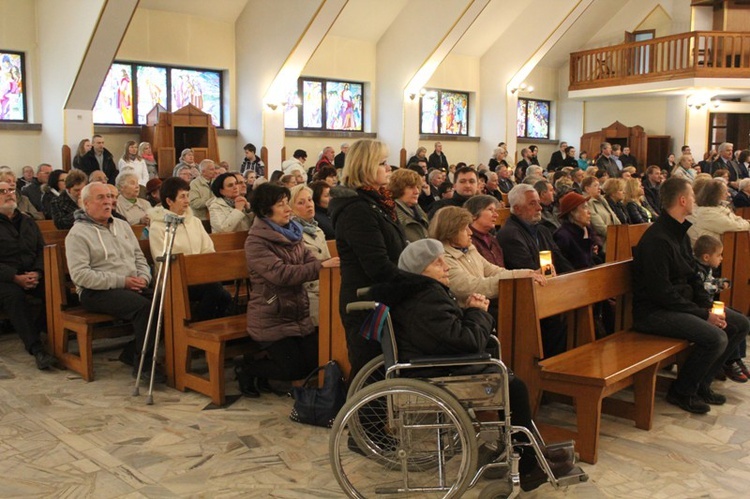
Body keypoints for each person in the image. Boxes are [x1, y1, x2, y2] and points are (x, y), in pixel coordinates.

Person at [367, 239, 575, 491]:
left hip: (436, 362)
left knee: (509, 379)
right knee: (514, 387)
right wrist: (478, 312)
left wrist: (468, 310)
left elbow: (448, 333)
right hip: (437, 371)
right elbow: (466, 342)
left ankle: (528, 452)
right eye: (437, 262)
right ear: (420, 271)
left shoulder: (421, 292)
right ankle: (529, 464)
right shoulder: (425, 297)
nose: (446, 266)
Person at [632, 177, 749, 414]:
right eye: (692, 197)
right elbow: (661, 292)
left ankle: (701, 385)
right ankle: (682, 391)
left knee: (739, 324)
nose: (695, 200)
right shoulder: (657, 239)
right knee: (716, 337)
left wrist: (708, 307)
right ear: (683, 200)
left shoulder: (680, 233)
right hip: (654, 311)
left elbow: (694, 276)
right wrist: (703, 314)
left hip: (678, 304)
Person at [238, 183, 339, 395]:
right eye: (281, 205)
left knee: (317, 360)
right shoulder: (256, 242)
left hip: (297, 313)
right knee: (296, 369)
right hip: (271, 315)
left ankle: (267, 367)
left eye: (287, 204)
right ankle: (247, 368)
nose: (288, 209)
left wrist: (325, 264)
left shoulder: (292, 234)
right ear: (266, 210)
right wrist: (321, 265)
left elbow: (310, 260)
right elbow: (282, 275)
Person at [65, 182, 163, 381]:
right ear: (86, 204)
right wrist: (123, 281)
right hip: (95, 291)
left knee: (168, 302)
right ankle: (144, 364)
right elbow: (81, 275)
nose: (108, 202)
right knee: (144, 308)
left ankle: (132, 351)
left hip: (130, 284)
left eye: (109, 197)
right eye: (100, 198)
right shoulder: (77, 234)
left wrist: (144, 278)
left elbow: (139, 258)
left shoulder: (122, 225)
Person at [329, 139, 407, 378]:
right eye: (382, 163)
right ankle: (362, 416)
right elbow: (377, 265)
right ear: (365, 167)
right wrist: (419, 281)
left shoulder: (378, 202)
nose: (388, 168)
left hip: (383, 296)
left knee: (385, 368)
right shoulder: (356, 209)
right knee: (370, 370)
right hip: (366, 302)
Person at [430, 206, 541, 318]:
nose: (470, 232)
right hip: (464, 316)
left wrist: (528, 273)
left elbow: (493, 271)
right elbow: (474, 287)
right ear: (451, 232)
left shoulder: (469, 249)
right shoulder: (443, 258)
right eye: (464, 229)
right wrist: (519, 277)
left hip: (483, 309)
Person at [148, 177, 231, 321]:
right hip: (174, 280)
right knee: (216, 291)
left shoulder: (194, 222)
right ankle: (194, 326)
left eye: (188, 195)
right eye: (182, 197)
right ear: (169, 201)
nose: (187, 200)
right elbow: (161, 260)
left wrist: (201, 270)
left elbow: (208, 250)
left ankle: (205, 327)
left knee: (224, 296)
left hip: (200, 277)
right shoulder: (159, 226)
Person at [0, 179, 55, 370]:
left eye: (11, 190)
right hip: (5, 277)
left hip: (32, 272)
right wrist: (15, 277)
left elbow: (42, 249)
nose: (9, 194)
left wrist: (38, 272)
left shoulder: (27, 221)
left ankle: (38, 329)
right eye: (2, 191)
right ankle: (36, 347)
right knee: (14, 297)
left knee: (54, 290)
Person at [693, 235, 747, 383]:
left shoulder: (707, 268)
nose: (721, 258)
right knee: (730, 325)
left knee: (739, 317)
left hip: (708, 305)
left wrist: (720, 281)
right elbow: (703, 287)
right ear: (706, 257)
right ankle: (728, 362)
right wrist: (718, 286)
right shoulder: (697, 270)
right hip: (702, 308)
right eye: (719, 255)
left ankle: (736, 358)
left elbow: (710, 282)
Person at [290, 184, 334, 327]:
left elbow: (328, 261)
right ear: (290, 208)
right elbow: (295, 271)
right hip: (305, 290)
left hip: (324, 285)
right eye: (301, 203)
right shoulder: (291, 234)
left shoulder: (317, 230)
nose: (309, 205)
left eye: (310, 200)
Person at [687, 179, 750, 245]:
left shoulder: (720, 207)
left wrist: (745, 222)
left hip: (726, 245)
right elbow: (732, 226)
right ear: (715, 194)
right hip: (713, 250)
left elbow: (736, 218)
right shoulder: (706, 213)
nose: (728, 194)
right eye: (725, 192)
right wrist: (747, 223)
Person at [553, 192, 602, 270]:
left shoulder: (587, 230)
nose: (589, 212)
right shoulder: (563, 236)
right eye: (584, 208)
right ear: (572, 212)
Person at [464, 195, 506, 267]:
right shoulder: (467, 240)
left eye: (495, 211)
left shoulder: (492, 239)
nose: (496, 215)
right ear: (474, 214)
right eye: (490, 210)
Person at [390, 168, 429, 243]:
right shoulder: (393, 214)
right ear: (397, 188)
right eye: (411, 187)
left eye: (418, 187)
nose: (417, 191)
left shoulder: (419, 212)